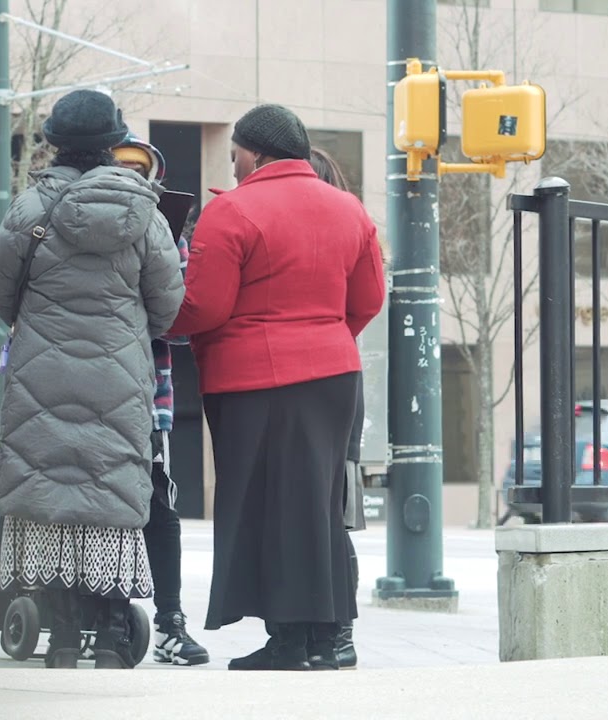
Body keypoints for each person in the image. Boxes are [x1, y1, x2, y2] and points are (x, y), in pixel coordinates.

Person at [168, 104, 386, 671]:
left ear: (257, 152)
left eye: (236, 151)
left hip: (252, 381)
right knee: (316, 504)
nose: (233, 163)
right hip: (336, 377)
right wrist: (325, 338)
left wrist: (158, 321)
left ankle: (287, 641)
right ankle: (323, 638)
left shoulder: (233, 211)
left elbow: (204, 307)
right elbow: (367, 301)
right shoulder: (350, 210)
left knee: (263, 505)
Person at [0, 90, 184, 670]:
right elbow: (167, 307)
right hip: (119, 377)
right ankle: (115, 636)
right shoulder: (145, 214)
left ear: (54, 143)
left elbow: (4, 293)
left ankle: (64, 636)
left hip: (40, 374)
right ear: (112, 144)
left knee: (51, 491)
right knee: (110, 490)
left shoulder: (29, 210)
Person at [112, 134, 211, 666]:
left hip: (133, 394)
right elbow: (175, 324)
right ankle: (161, 622)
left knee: (147, 505)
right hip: (143, 395)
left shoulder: (164, 233)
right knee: (152, 505)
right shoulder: (163, 232)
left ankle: (135, 618)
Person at [309, 147, 367, 670]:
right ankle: (330, 635)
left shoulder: (342, 230)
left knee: (332, 518)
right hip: (340, 380)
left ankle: (339, 633)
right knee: (330, 518)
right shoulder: (349, 225)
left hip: (332, 384)